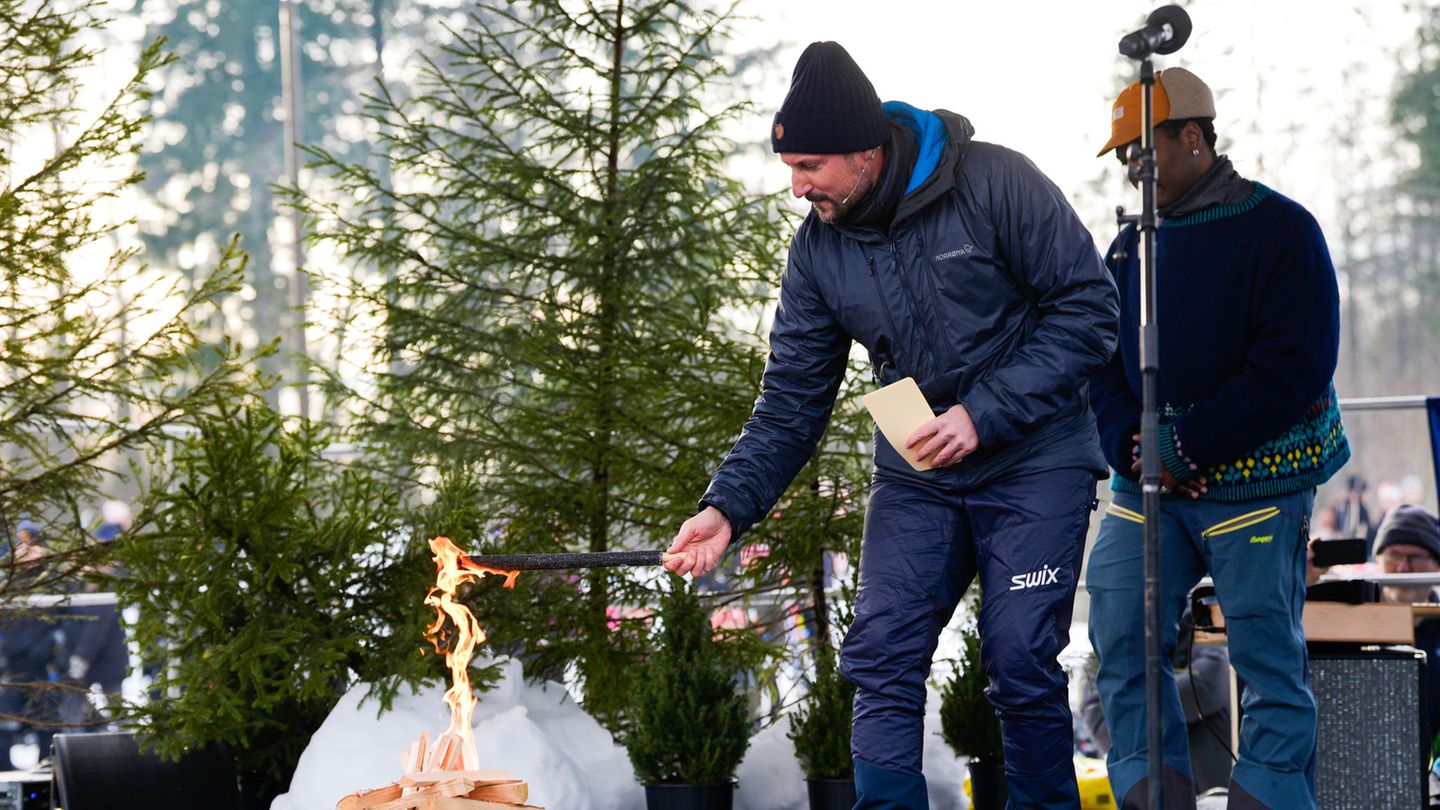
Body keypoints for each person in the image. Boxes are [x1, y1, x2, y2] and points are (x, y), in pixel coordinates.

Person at [664, 41, 1119, 809]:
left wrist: (984, 412)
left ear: (866, 151)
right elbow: (790, 402)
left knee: (1017, 663)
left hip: (1036, 461)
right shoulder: (816, 252)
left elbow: (1090, 311)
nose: (797, 186)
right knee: (880, 659)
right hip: (920, 478)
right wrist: (725, 508)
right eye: (790, 168)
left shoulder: (995, 182)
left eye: (810, 167)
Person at [1085, 67, 1350, 810]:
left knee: (1265, 659)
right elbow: (1100, 364)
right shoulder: (1125, 248)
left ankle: (1266, 797)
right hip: (1150, 488)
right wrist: (1133, 449)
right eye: (1122, 159)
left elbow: (1293, 369)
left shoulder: (1281, 230)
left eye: (1143, 152)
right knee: (1119, 638)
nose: (1132, 171)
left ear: (1194, 138)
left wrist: (1185, 447)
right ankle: (1151, 791)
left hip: (1256, 486)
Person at [1366, 505, 1440, 743]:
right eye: (1394, 555)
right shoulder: (1356, 626)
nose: (1403, 568)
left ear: (1436, 564)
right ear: (1378, 559)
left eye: (1415, 557)